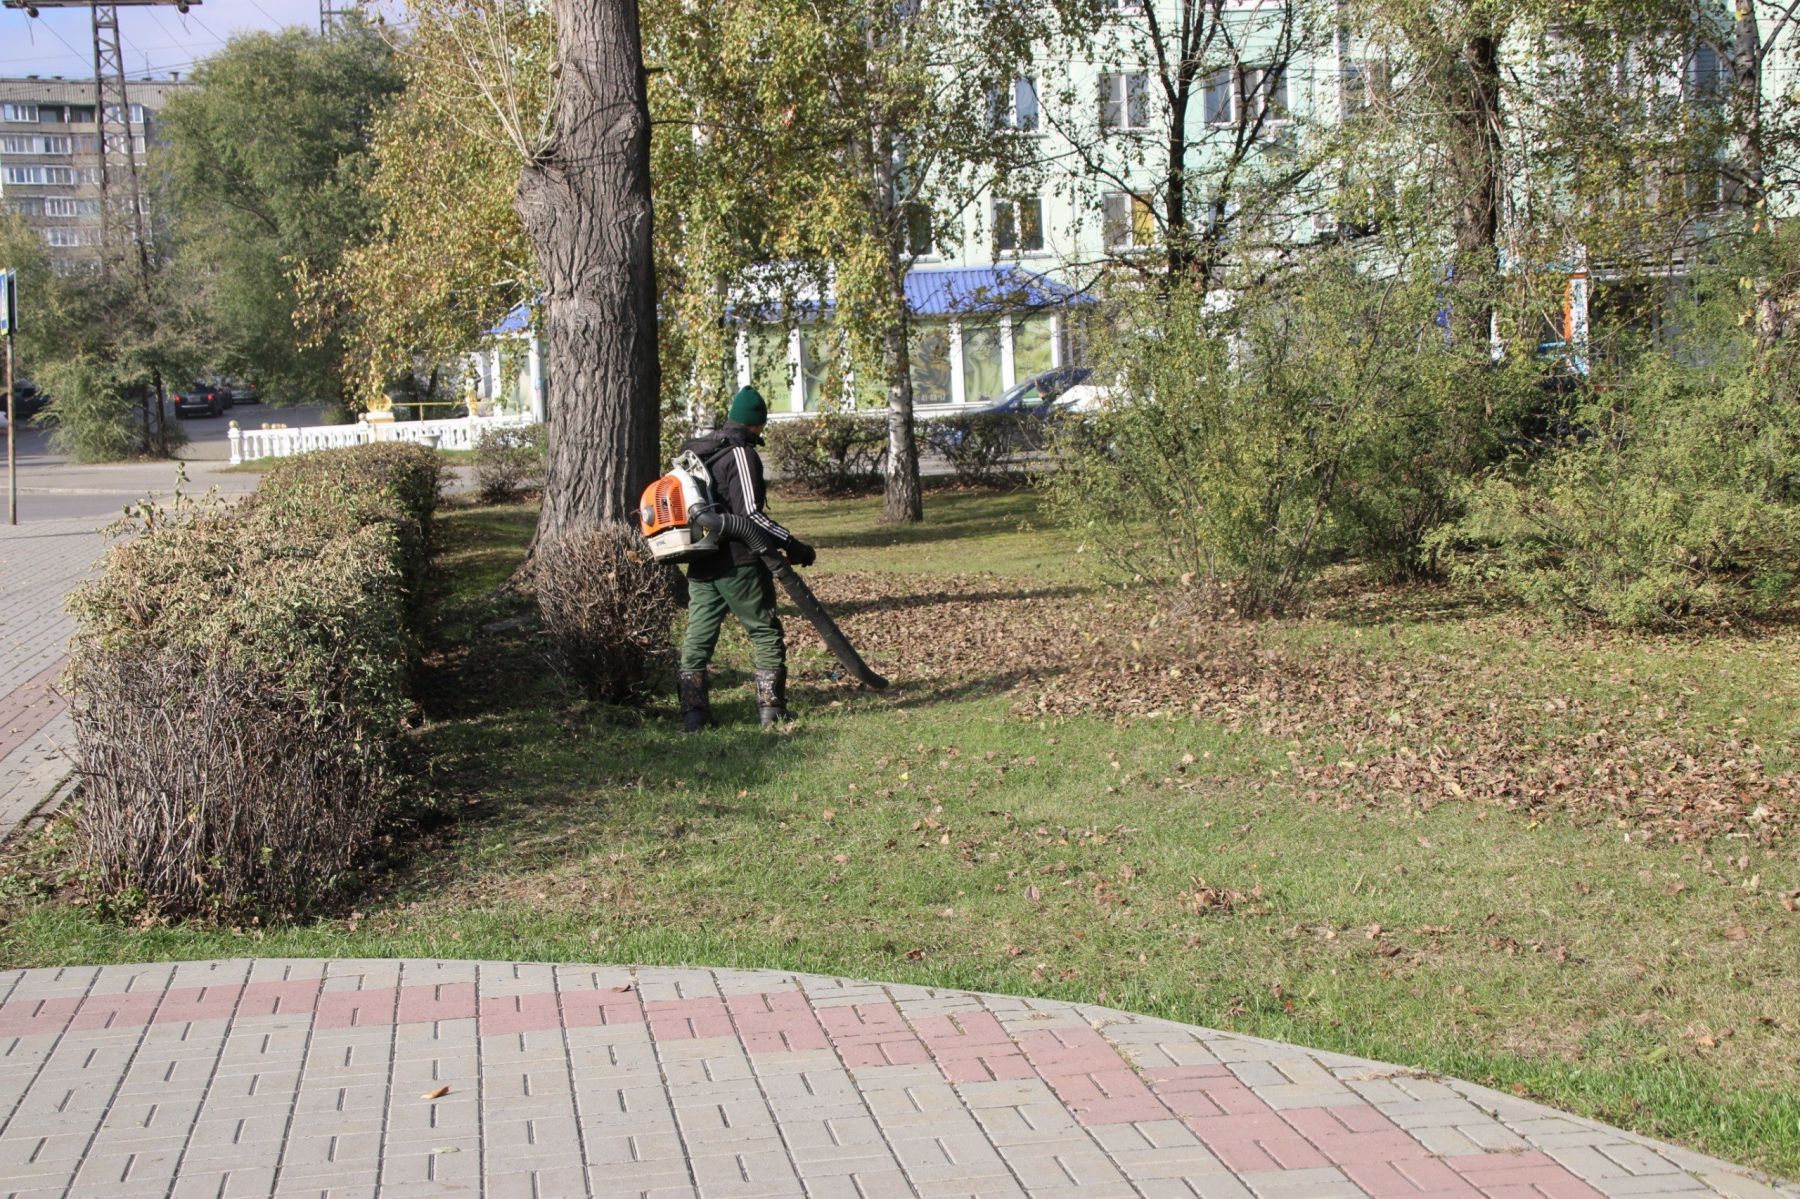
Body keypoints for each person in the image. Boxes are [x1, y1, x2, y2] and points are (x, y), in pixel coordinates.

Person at [676, 385, 817, 732]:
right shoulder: (741, 454)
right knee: (764, 630)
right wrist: (793, 545)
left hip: (700, 559)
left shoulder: (701, 451)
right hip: (738, 561)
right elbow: (750, 516)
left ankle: (695, 716)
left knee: (699, 636)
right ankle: (772, 710)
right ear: (758, 423)